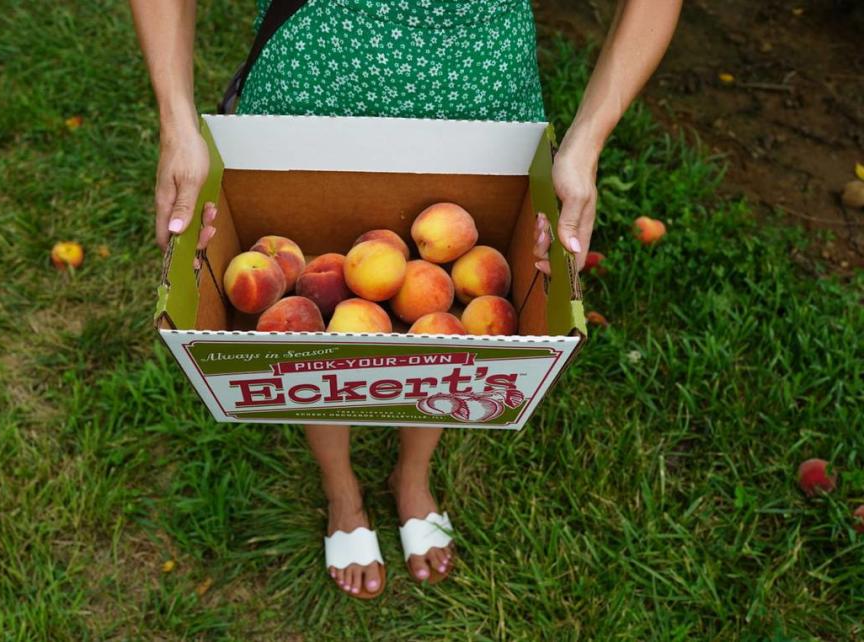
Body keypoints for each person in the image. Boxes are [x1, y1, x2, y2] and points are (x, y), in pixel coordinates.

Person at [130, 0, 681, 599]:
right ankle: (342, 487)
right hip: (313, 85)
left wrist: (587, 142)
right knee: (314, 333)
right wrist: (175, 122)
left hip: (480, 105)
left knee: (446, 336)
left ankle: (411, 473)